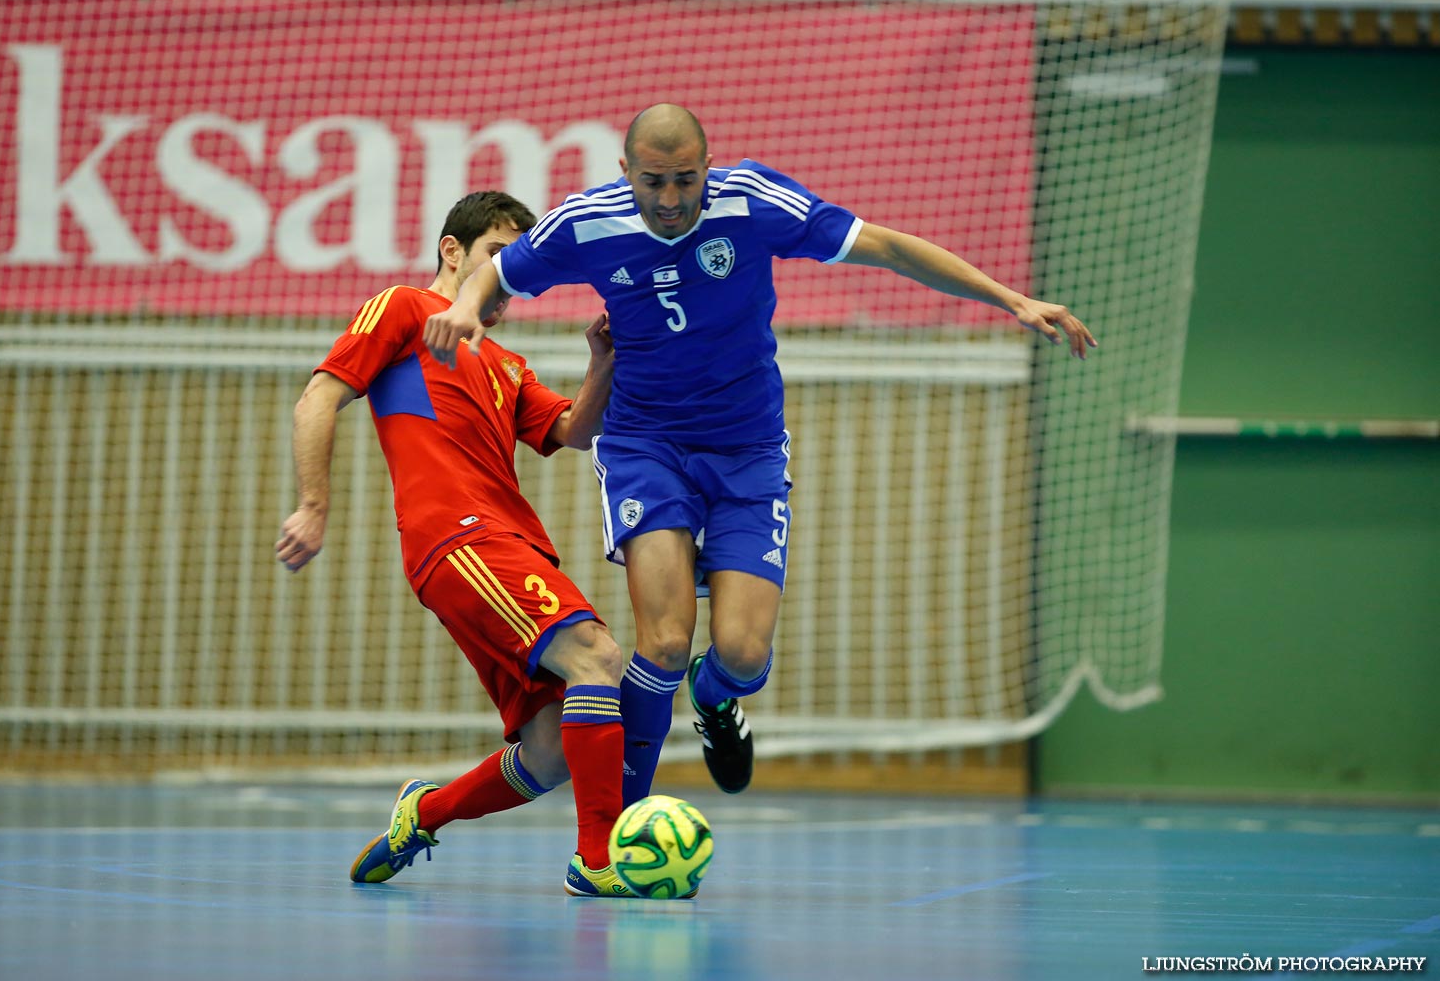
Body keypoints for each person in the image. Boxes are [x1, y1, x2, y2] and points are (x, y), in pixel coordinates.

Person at [423, 105, 1098, 803]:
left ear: (708, 166)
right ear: (625, 173)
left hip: (746, 449)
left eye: (687, 179)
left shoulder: (752, 204)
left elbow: (889, 247)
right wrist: (470, 307)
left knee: (742, 653)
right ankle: (620, 827)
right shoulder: (587, 221)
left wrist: (1010, 299)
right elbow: (497, 271)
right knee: (663, 642)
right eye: (654, 181)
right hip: (645, 445)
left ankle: (715, 701)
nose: (672, 200)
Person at [276, 190, 647, 898]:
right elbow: (318, 397)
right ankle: (598, 862)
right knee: (596, 654)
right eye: (496, 257)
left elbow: (572, 431)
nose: (507, 278)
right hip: (459, 540)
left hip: (512, 547)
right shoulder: (406, 310)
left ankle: (427, 812)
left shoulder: (507, 364)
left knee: (548, 752)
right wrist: (314, 506)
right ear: (453, 252)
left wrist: (603, 363)